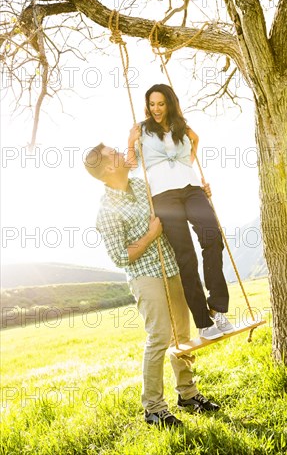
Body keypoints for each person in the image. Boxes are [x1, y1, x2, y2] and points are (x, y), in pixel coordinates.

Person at [84, 143, 220, 428]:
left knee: (182, 335)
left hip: (173, 266)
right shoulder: (106, 211)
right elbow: (120, 256)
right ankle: (154, 408)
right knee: (159, 336)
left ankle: (187, 394)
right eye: (115, 153)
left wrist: (197, 197)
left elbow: (176, 203)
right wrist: (149, 235)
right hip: (145, 276)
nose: (122, 153)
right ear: (109, 168)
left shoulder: (143, 185)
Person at [128, 84, 234, 341]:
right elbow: (131, 165)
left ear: (170, 104)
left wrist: (188, 165)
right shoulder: (141, 130)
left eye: (161, 104)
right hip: (163, 195)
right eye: (152, 104)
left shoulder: (182, 126)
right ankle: (203, 321)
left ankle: (218, 307)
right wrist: (131, 142)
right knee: (186, 256)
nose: (156, 109)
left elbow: (196, 140)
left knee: (212, 238)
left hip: (192, 188)